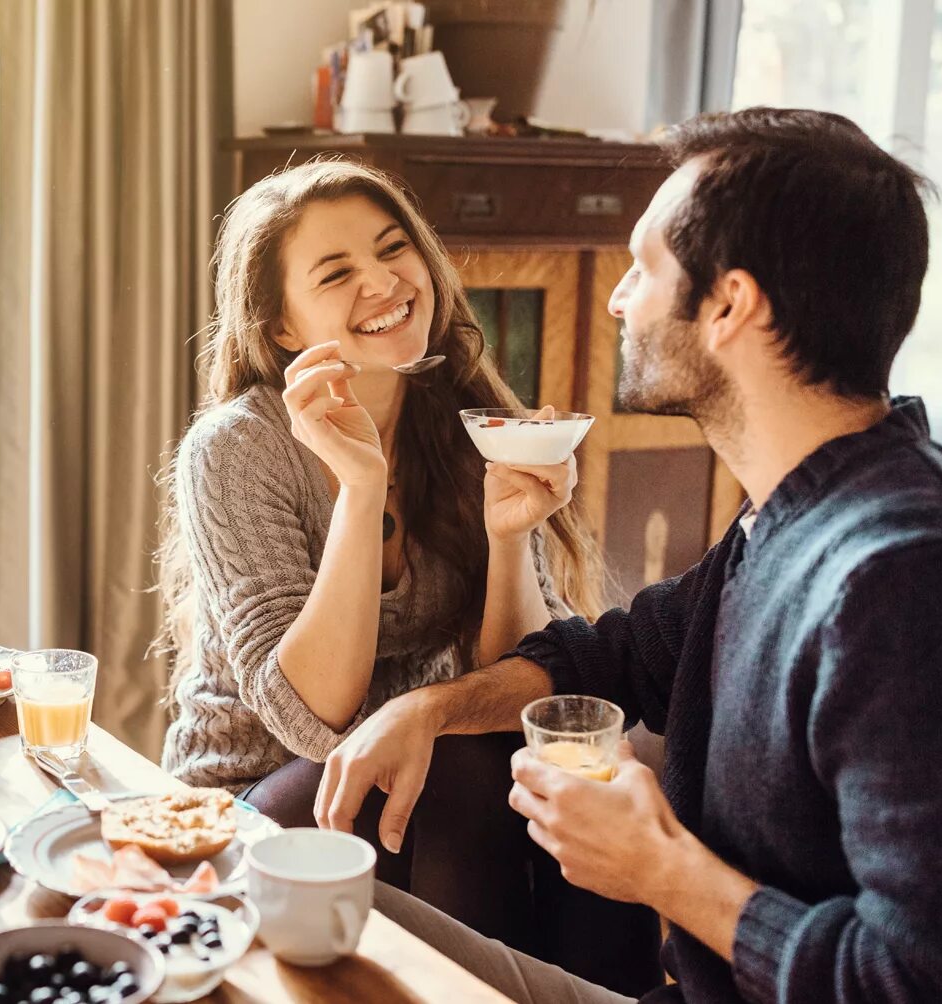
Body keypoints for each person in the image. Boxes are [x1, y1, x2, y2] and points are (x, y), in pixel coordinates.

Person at [318, 107, 942, 1003]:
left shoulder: (905, 581)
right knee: (332, 919)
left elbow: (933, 982)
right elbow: (620, 652)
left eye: (643, 267)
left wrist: (664, 871)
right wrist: (428, 710)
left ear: (729, 305)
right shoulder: (789, 516)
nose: (616, 298)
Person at [155, 159, 660, 992]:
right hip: (250, 800)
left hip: (426, 767)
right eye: (336, 272)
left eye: (394, 250)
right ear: (282, 326)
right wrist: (361, 488)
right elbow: (315, 720)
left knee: (584, 774)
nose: (384, 281)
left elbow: (522, 686)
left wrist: (509, 537)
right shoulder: (237, 451)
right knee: (458, 772)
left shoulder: (465, 415)